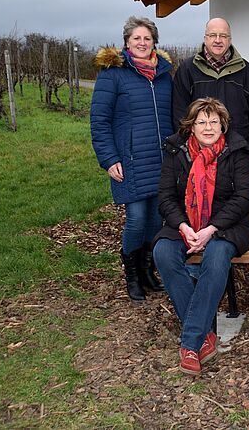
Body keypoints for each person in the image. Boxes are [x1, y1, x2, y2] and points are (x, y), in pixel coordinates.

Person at [152, 98, 249, 375]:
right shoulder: (176, 152)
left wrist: (211, 229)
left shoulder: (237, 152)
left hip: (228, 225)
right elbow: (165, 197)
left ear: (223, 125)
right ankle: (205, 335)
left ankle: (190, 342)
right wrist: (183, 226)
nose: (208, 127)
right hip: (185, 223)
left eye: (213, 122)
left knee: (217, 254)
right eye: (201, 122)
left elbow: (243, 198)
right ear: (191, 126)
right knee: (163, 252)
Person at [91, 16, 173, 301]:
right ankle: (132, 276)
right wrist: (108, 158)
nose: (142, 42)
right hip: (130, 161)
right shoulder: (113, 75)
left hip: (161, 161)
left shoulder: (164, 76)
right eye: (136, 38)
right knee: (136, 219)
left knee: (156, 220)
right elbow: (99, 121)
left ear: (154, 42)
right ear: (126, 42)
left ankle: (148, 270)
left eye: (147, 38)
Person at [172, 17, 249, 164]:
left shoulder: (244, 69)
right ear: (205, 38)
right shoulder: (188, 69)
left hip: (239, 151)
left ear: (230, 40)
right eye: (212, 35)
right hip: (199, 153)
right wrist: (185, 150)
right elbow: (179, 112)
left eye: (223, 36)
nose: (218, 40)